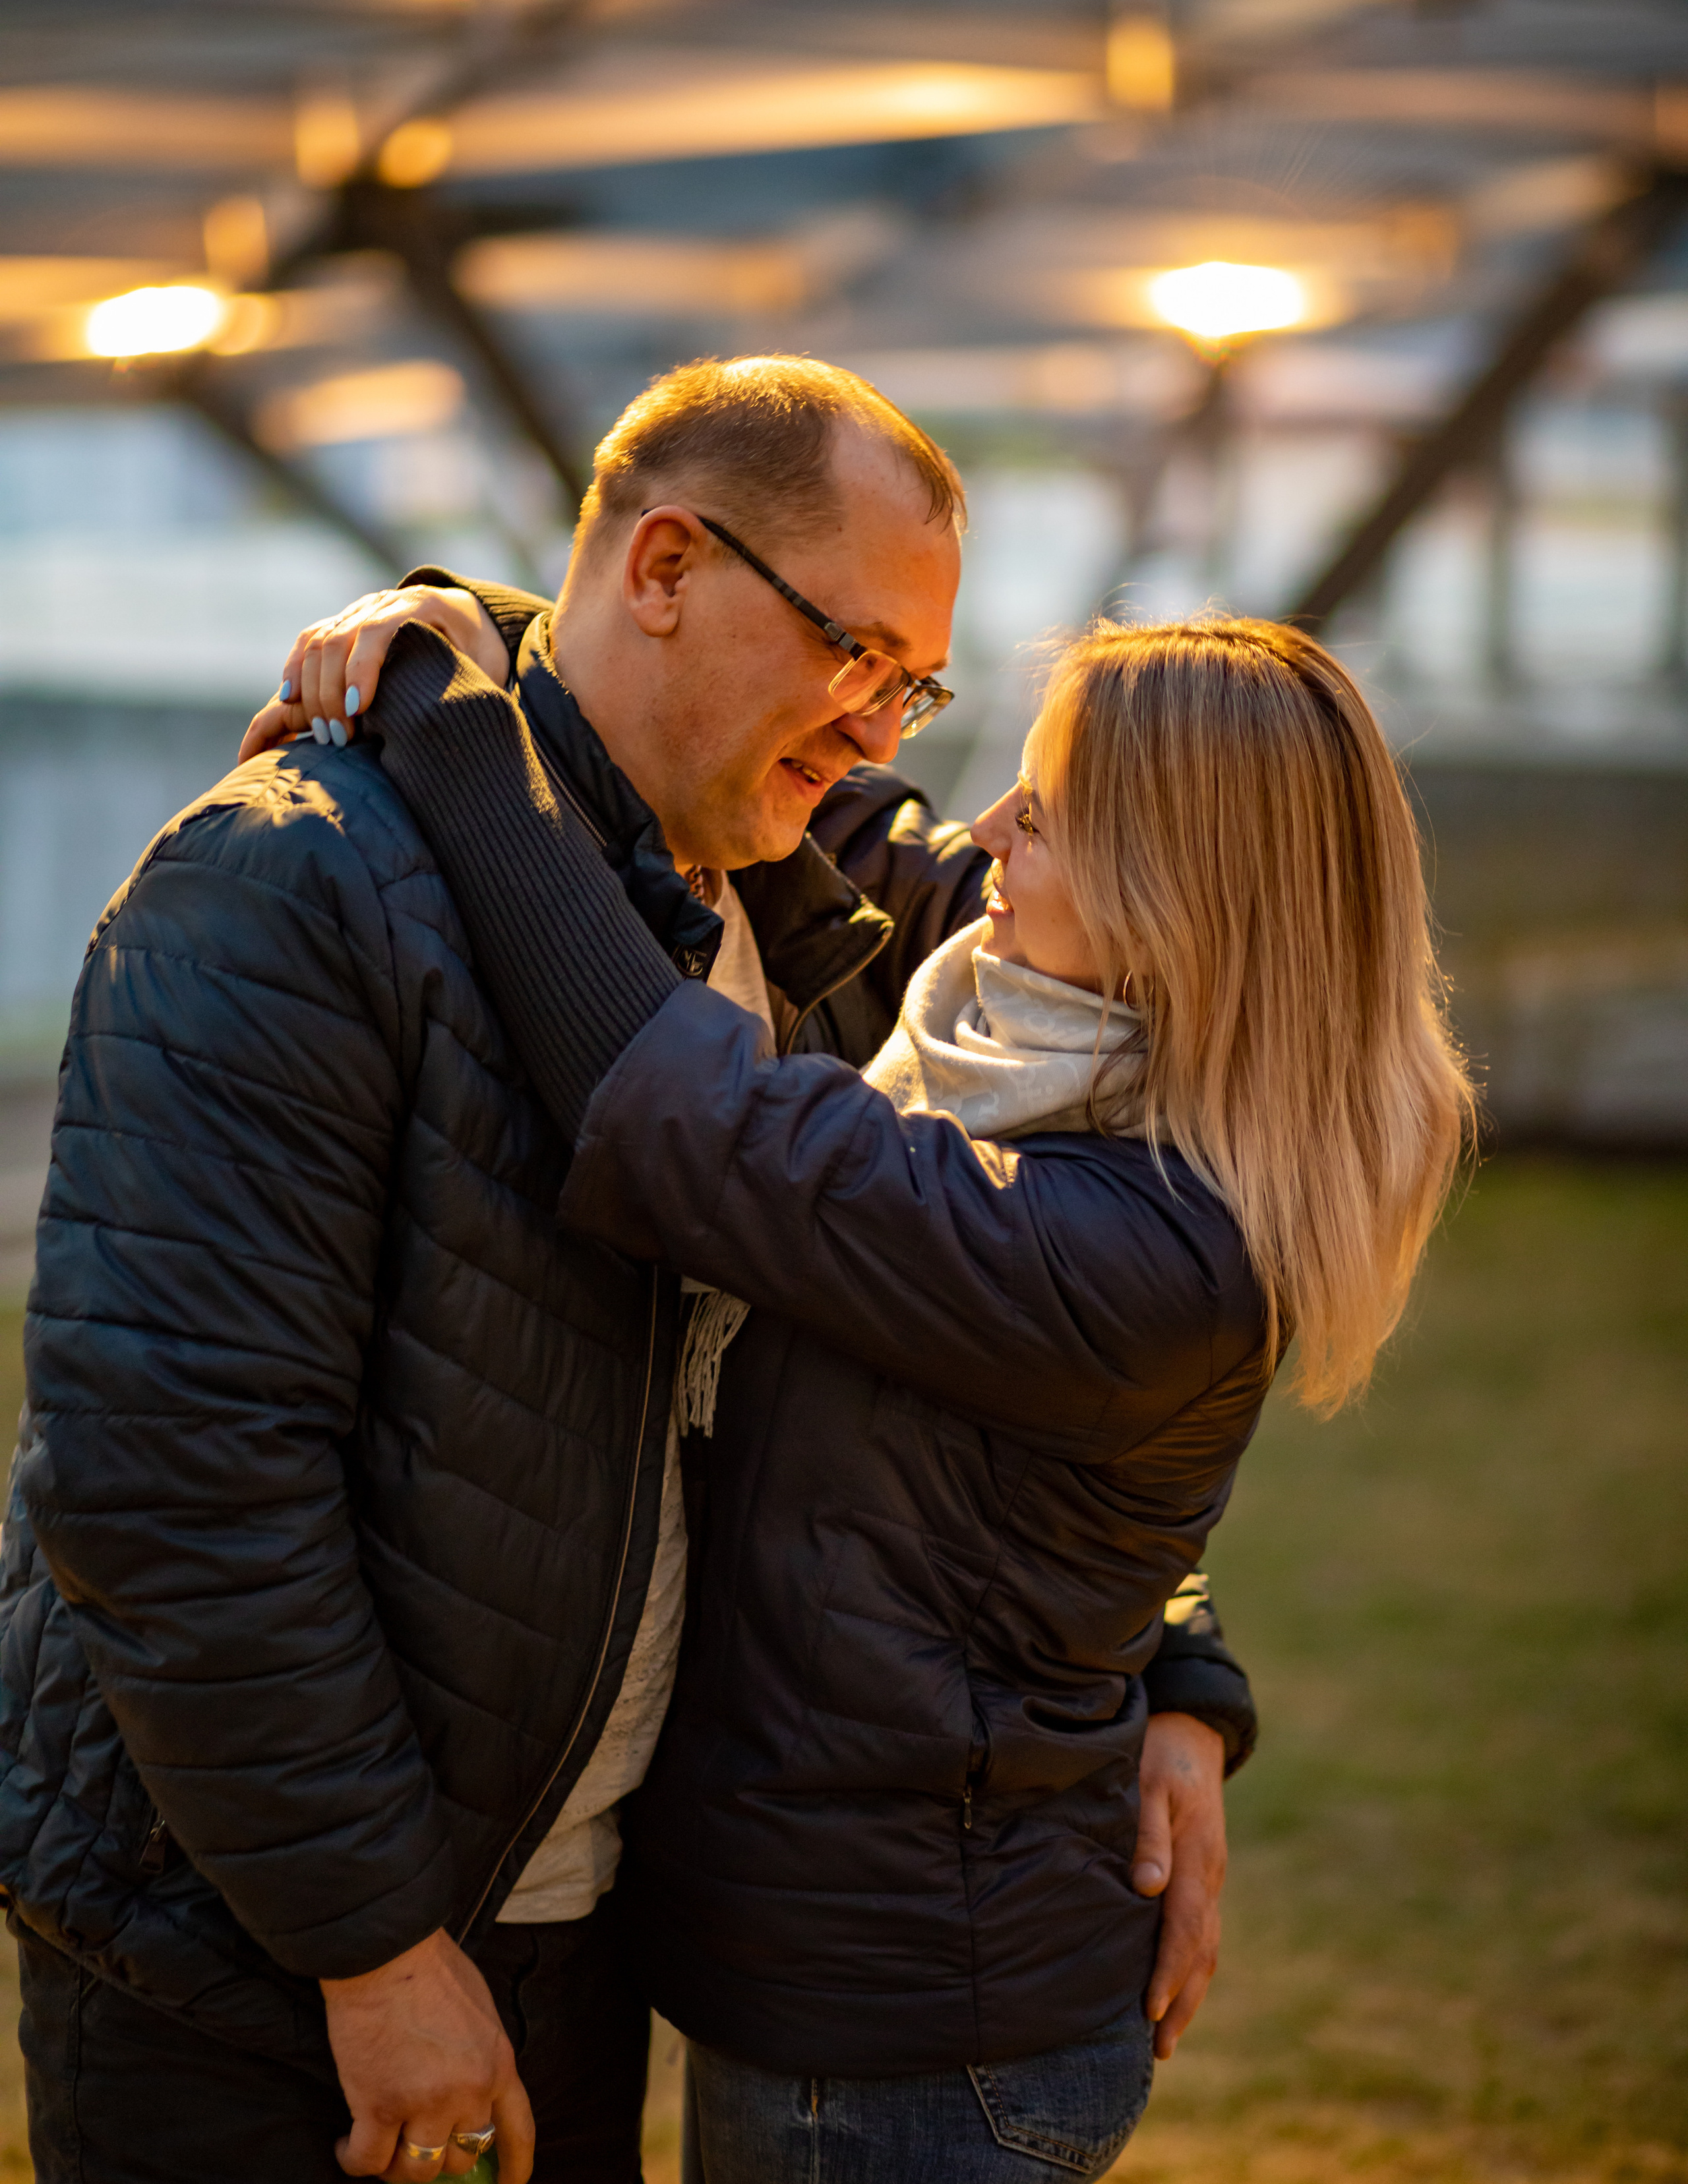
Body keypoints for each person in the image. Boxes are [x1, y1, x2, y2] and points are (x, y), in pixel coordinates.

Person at [0, 356, 1253, 2184]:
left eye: (918, 681)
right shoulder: (286, 887)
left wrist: (1176, 1664)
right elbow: (175, 1481)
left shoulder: (818, 907)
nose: (889, 732)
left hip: (581, 1933)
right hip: (263, 1966)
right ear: (664, 566)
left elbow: (1054, 1335)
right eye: (856, 653)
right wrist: (372, 1948)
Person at [306, 599, 1475, 2182]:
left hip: (912, 2055)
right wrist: (512, 617)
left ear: (1168, 902)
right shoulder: (1075, 1044)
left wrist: (451, 724)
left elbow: (670, 1114)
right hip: (894, 1981)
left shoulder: (1124, 1241)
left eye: (1042, 817)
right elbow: (826, 792)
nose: (985, 830)